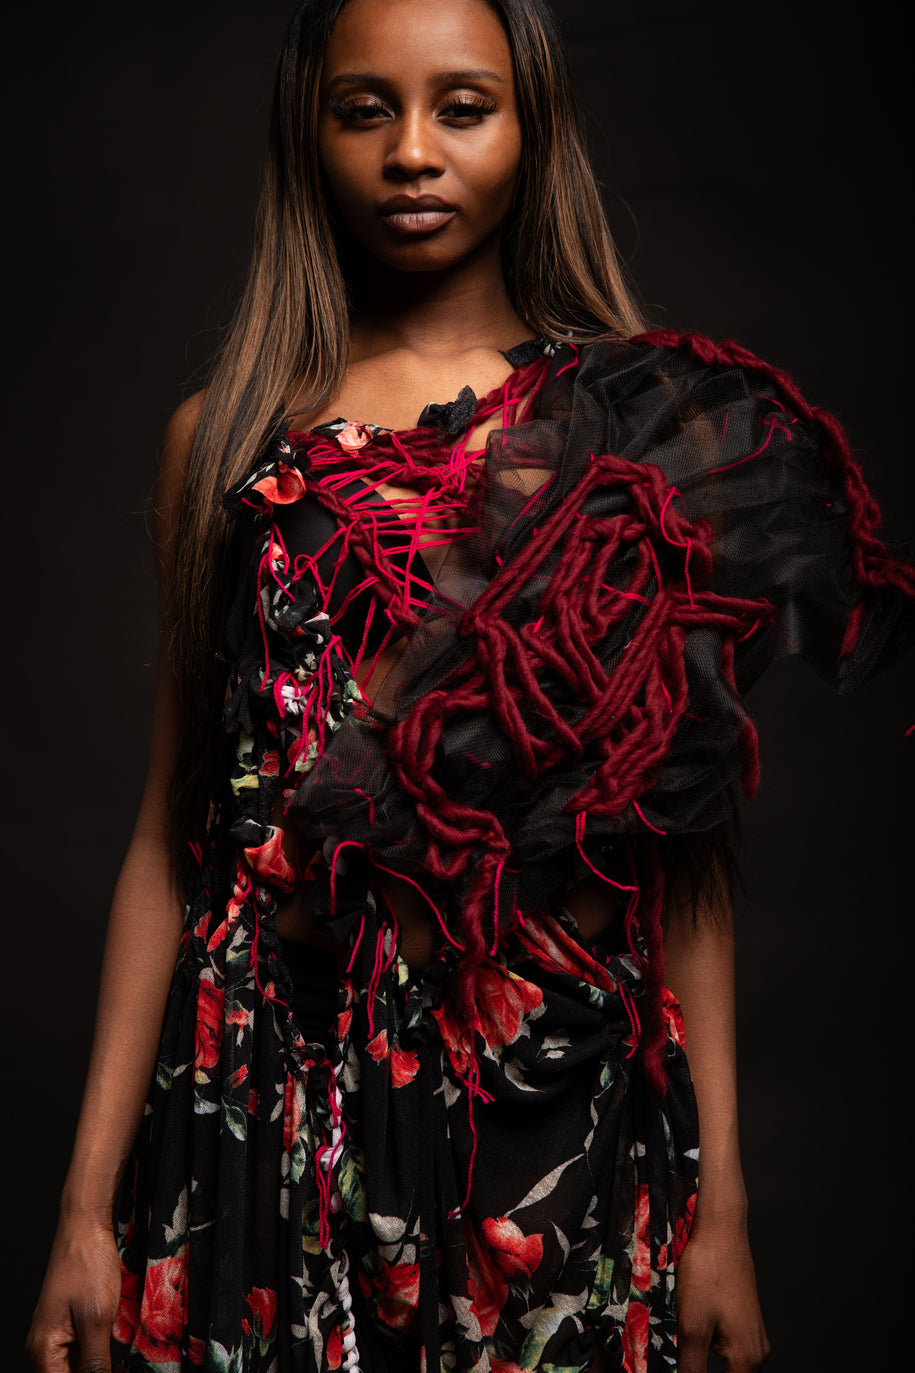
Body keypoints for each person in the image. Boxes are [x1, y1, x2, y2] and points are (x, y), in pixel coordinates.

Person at [26, 1, 915, 1370]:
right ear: (307, 134)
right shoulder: (223, 440)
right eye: (366, 107)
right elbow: (170, 833)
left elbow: (680, 862)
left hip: (549, 1107)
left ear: (532, 125)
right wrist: (84, 1209)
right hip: (267, 1108)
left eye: (463, 105)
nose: (413, 153)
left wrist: (723, 1206)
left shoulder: (624, 431)